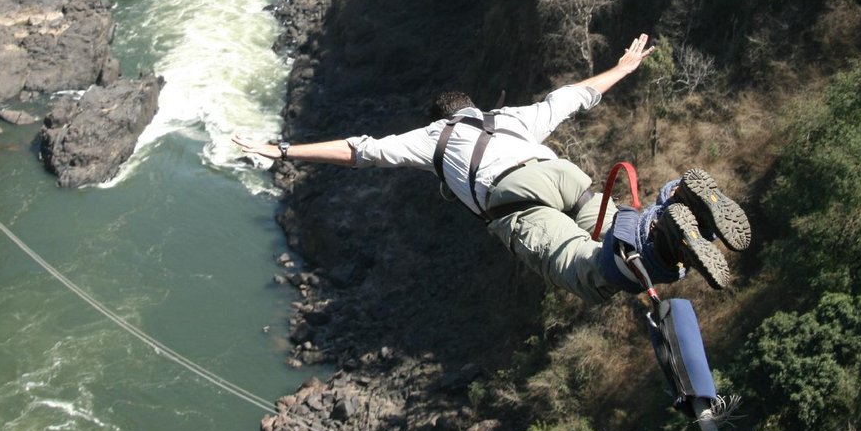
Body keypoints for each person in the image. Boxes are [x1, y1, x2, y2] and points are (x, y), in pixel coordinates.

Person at [232, 33, 750, 306]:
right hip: (562, 173)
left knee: (583, 272)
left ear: (439, 118)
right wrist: (624, 67)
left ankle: (668, 240)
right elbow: (573, 97)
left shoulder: (432, 138)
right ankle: (679, 205)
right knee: (618, 227)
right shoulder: (509, 117)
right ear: (470, 106)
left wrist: (281, 150)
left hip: (515, 199)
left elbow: (359, 149)